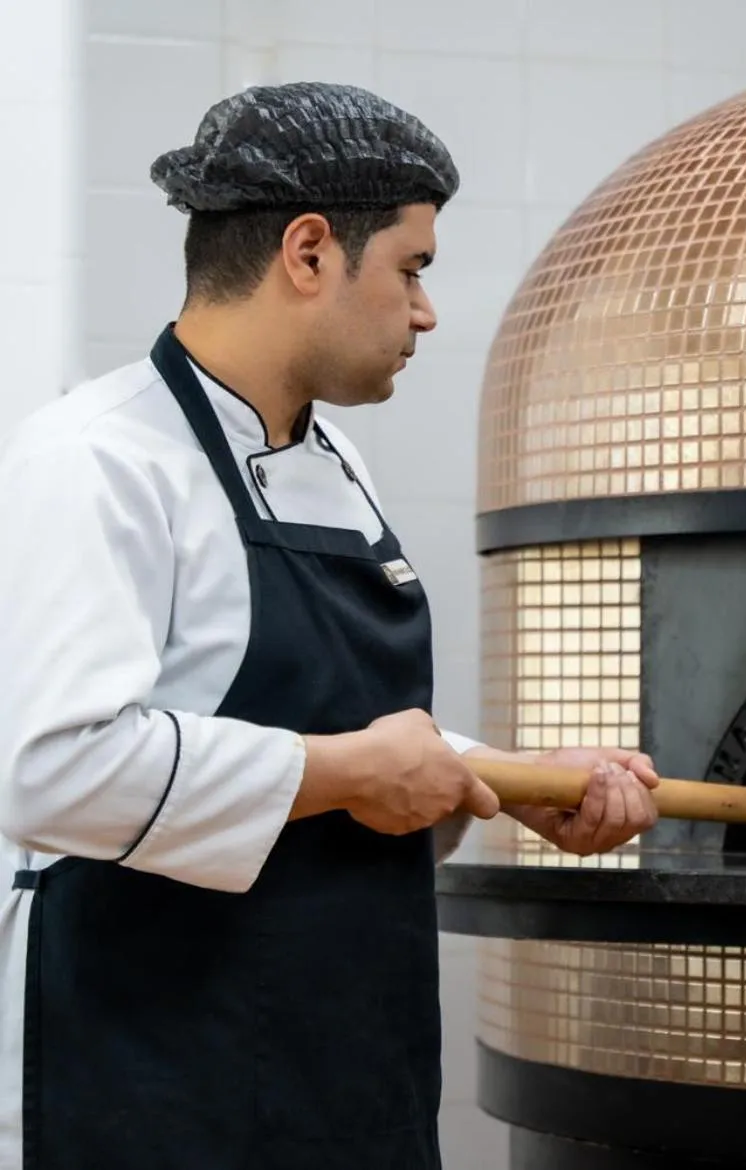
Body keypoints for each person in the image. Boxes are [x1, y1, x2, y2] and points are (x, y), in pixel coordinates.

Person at [0, 82, 660, 1169]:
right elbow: (53, 769)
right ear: (309, 253)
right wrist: (355, 771)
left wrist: (516, 781)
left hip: (347, 1069)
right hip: (153, 1080)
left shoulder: (334, 464)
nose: (427, 311)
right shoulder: (96, 462)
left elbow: (348, 731)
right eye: (413, 268)